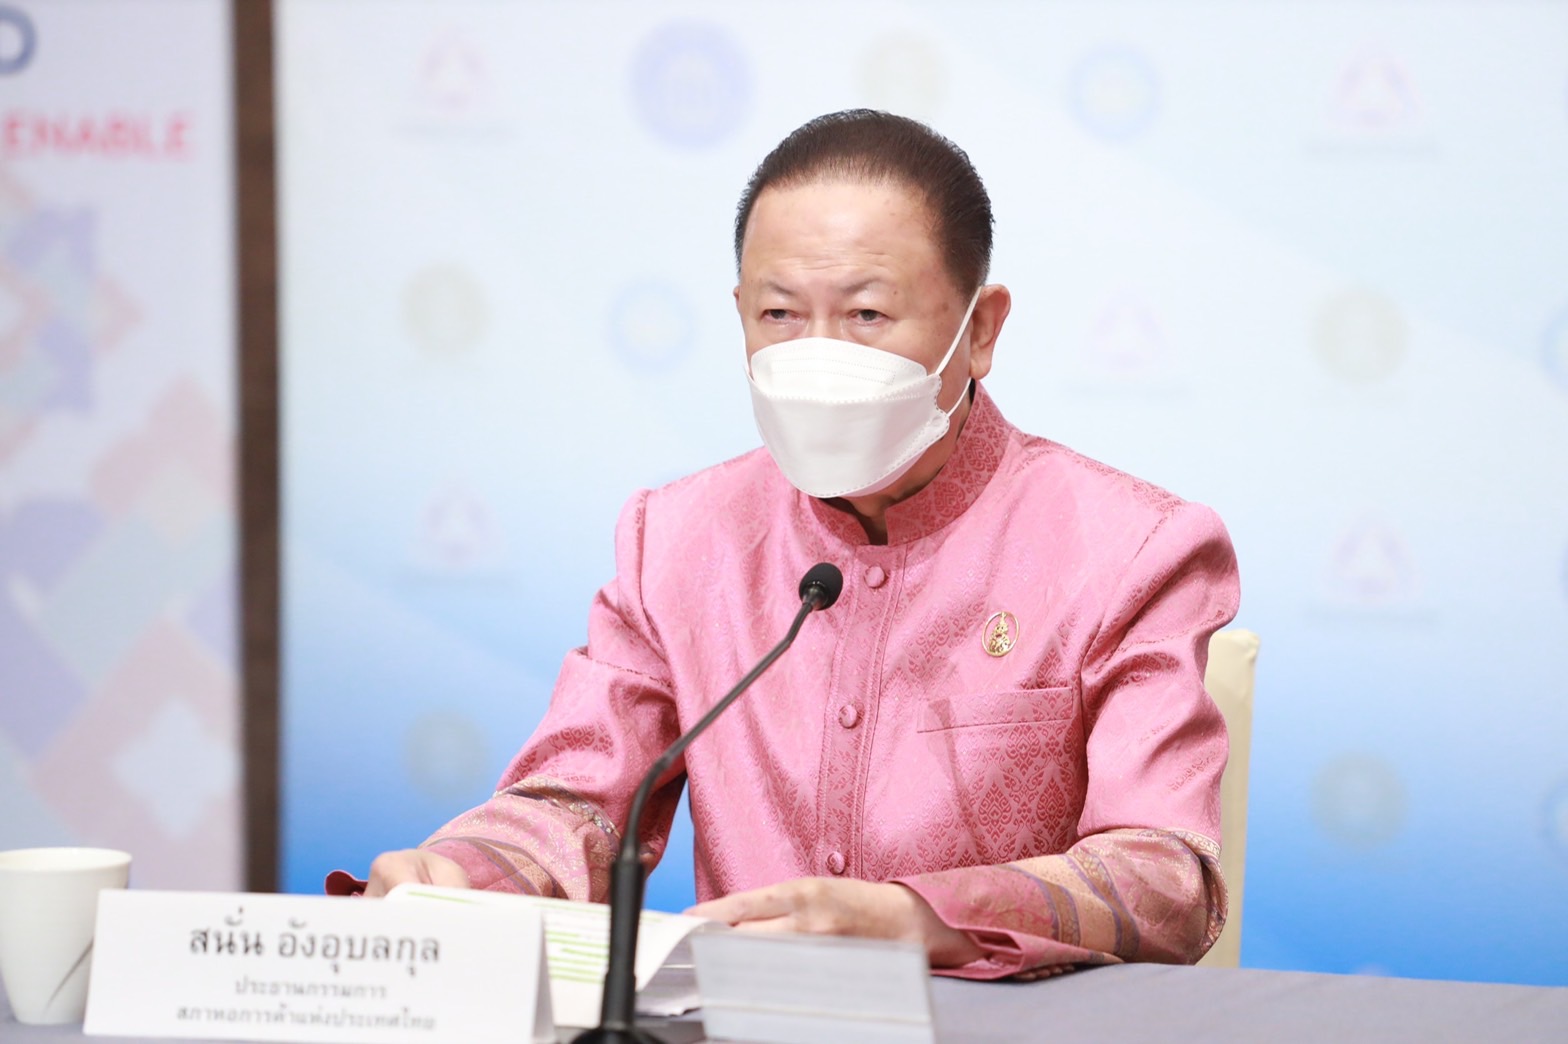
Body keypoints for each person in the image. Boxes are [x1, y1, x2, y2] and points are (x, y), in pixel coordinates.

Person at [339, 109, 1240, 979]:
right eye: (778, 315)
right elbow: (578, 804)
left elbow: (1163, 878)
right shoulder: (677, 540)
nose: (817, 353)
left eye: (866, 315)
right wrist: (465, 874)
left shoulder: (1130, 549)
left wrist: (921, 920)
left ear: (981, 330)